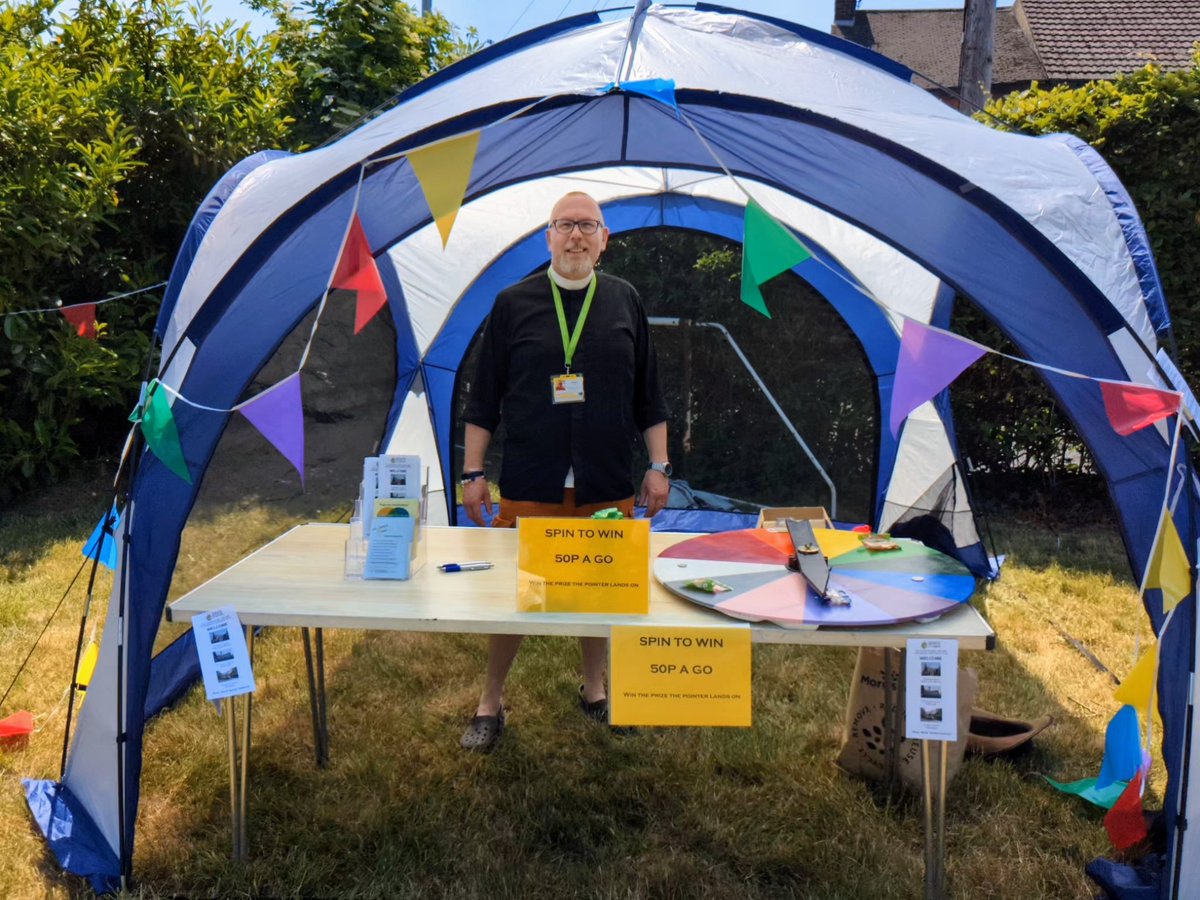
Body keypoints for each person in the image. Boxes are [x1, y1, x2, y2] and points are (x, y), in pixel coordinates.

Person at [458, 190, 671, 752]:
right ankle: (490, 701)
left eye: (587, 226)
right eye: (564, 225)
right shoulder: (512, 303)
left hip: (606, 481)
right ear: (546, 237)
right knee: (518, 595)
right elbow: (483, 400)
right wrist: (471, 472)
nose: (576, 235)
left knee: (600, 590)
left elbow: (650, 396)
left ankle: (595, 690)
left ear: (604, 241)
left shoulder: (626, 301)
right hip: (531, 480)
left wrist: (659, 465)